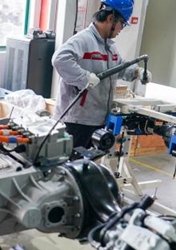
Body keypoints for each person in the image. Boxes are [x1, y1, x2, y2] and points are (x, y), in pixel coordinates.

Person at [52, 0, 151, 149]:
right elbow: (60, 59)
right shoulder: (83, 40)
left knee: (90, 161)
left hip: (98, 120)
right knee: (73, 161)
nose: (121, 29)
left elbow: (119, 68)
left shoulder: (109, 46)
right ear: (111, 19)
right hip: (77, 121)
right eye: (122, 24)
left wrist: (137, 72)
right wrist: (85, 78)